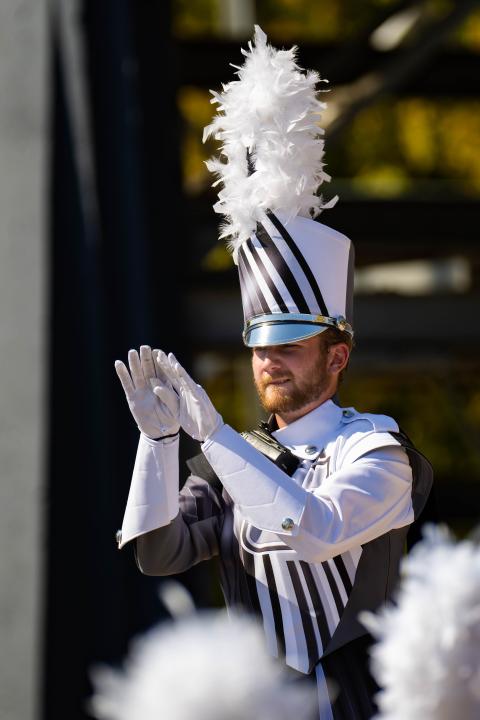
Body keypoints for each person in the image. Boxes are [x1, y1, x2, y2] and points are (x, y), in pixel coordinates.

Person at [114, 27, 433, 719]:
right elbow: (158, 554)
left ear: (337, 354)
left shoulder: (379, 452)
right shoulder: (240, 459)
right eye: (261, 346)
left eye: (290, 344)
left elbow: (314, 528)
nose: (270, 359)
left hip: (362, 703)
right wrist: (160, 441)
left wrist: (217, 437)